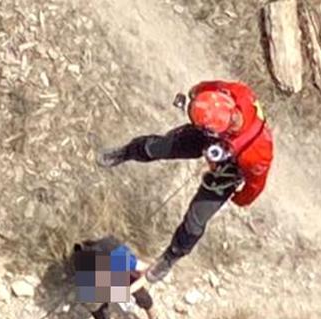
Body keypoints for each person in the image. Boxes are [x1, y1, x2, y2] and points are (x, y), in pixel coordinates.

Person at [96, 80, 274, 283]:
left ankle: (171, 257)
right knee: (156, 147)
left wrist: (238, 198)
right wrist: (196, 95)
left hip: (231, 166)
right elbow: (206, 87)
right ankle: (125, 152)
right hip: (211, 136)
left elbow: (255, 185)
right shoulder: (236, 94)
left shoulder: (256, 153)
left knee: (195, 220)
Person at [72, 236, 174, 319]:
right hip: (93, 276)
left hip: (108, 267)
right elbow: (95, 305)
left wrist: (128, 290)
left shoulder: (118, 258)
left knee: (143, 297)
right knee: (101, 314)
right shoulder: (86, 284)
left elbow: (145, 271)